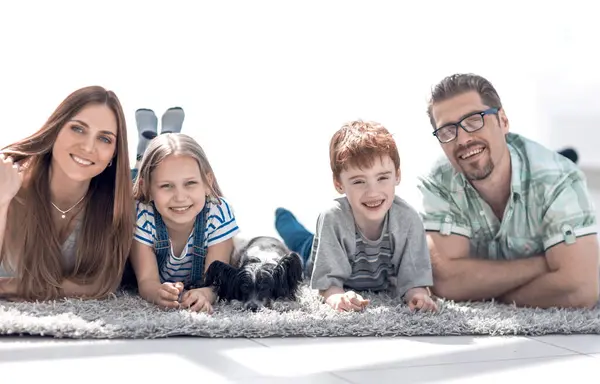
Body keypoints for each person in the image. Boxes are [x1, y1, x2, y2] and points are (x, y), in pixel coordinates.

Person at [418, 73, 599, 309]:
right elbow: (445, 281)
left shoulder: (559, 177)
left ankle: (561, 156)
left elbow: (581, 288)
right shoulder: (440, 180)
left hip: (542, 173)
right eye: (447, 131)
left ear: (503, 121)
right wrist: (544, 264)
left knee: (553, 171)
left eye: (474, 120)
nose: (462, 139)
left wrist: (488, 295)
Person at [275, 120, 437, 312]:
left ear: (397, 175)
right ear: (339, 184)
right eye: (359, 181)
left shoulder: (408, 219)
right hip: (323, 249)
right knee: (300, 242)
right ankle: (283, 218)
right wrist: (337, 297)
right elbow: (328, 286)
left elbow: (414, 280)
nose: (372, 192)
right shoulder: (332, 218)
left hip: (369, 268)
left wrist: (418, 295)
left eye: (382, 178)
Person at [0, 86, 133, 301]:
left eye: (105, 139)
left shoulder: (113, 204)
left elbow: (98, 284)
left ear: (113, 154)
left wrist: (10, 286)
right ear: (56, 129)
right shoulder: (8, 180)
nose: (88, 147)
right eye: (78, 129)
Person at [130, 132, 240, 313]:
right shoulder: (142, 214)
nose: (180, 197)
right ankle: (142, 150)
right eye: (166, 185)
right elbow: (147, 281)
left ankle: (165, 135)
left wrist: (205, 294)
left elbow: (216, 283)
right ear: (147, 188)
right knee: (126, 179)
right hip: (138, 187)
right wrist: (158, 292)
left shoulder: (218, 212)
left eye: (190, 183)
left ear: (207, 183)